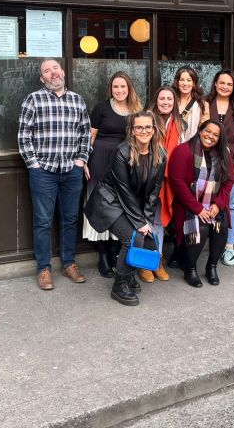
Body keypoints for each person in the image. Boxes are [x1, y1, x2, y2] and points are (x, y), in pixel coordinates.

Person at [18, 59, 92, 291]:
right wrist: (34, 165)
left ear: (62, 72)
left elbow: (85, 134)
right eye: (47, 71)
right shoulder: (33, 100)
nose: (52, 73)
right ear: (42, 78)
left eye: (55, 69)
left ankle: (69, 263)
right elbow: (23, 135)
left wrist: (81, 160)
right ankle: (44, 268)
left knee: (70, 219)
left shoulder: (77, 100)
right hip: (44, 173)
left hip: (72, 171)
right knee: (42, 221)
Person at [83, 111, 166, 306]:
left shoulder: (161, 154)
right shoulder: (122, 151)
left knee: (139, 236)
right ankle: (119, 286)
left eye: (147, 127)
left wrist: (147, 220)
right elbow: (124, 191)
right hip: (110, 202)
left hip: (130, 205)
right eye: (139, 127)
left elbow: (154, 191)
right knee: (132, 238)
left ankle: (127, 276)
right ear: (132, 130)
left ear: (154, 130)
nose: (143, 131)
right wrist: (140, 223)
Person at [84, 72, 142, 278]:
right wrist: (84, 160)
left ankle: (118, 252)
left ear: (129, 88)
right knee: (102, 205)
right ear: (111, 88)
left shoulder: (136, 109)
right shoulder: (101, 107)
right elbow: (90, 136)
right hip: (100, 159)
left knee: (121, 205)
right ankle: (103, 256)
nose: (119, 90)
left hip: (124, 162)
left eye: (123, 87)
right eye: (115, 87)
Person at [168, 120, 234, 288]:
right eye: (207, 131)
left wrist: (218, 204)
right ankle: (190, 269)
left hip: (213, 203)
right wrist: (197, 208)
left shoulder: (223, 153)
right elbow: (178, 183)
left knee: (221, 226)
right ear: (200, 131)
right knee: (201, 227)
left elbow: (229, 181)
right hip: (188, 205)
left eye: (215, 134)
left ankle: (212, 266)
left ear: (220, 139)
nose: (210, 136)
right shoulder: (182, 151)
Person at [205, 69, 234, 266]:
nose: (224, 87)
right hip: (208, 162)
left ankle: (229, 247)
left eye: (229, 84)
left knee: (232, 205)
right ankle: (206, 244)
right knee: (207, 203)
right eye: (221, 83)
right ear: (215, 84)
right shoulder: (206, 105)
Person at [144, 85, 185, 282]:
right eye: (162, 99)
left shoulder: (180, 123)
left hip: (168, 179)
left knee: (158, 221)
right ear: (156, 100)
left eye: (170, 99)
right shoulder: (146, 119)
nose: (166, 102)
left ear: (174, 102)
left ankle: (157, 260)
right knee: (144, 220)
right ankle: (144, 263)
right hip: (147, 176)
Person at [172, 67, 210, 142]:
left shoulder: (202, 104)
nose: (185, 84)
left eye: (189, 80)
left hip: (192, 147)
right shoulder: (170, 101)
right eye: (182, 80)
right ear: (177, 82)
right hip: (170, 145)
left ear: (194, 83)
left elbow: (205, 129)